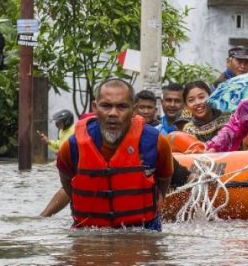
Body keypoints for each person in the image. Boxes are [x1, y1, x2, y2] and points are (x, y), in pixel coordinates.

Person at [55, 79, 173, 230]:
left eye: (122, 106)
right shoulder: (73, 146)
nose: (113, 113)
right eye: (106, 106)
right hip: (89, 231)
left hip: (142, 229)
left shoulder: (156, 143)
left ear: (134, 110)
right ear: (95, 107)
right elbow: (67, 181)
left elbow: (164, 179)